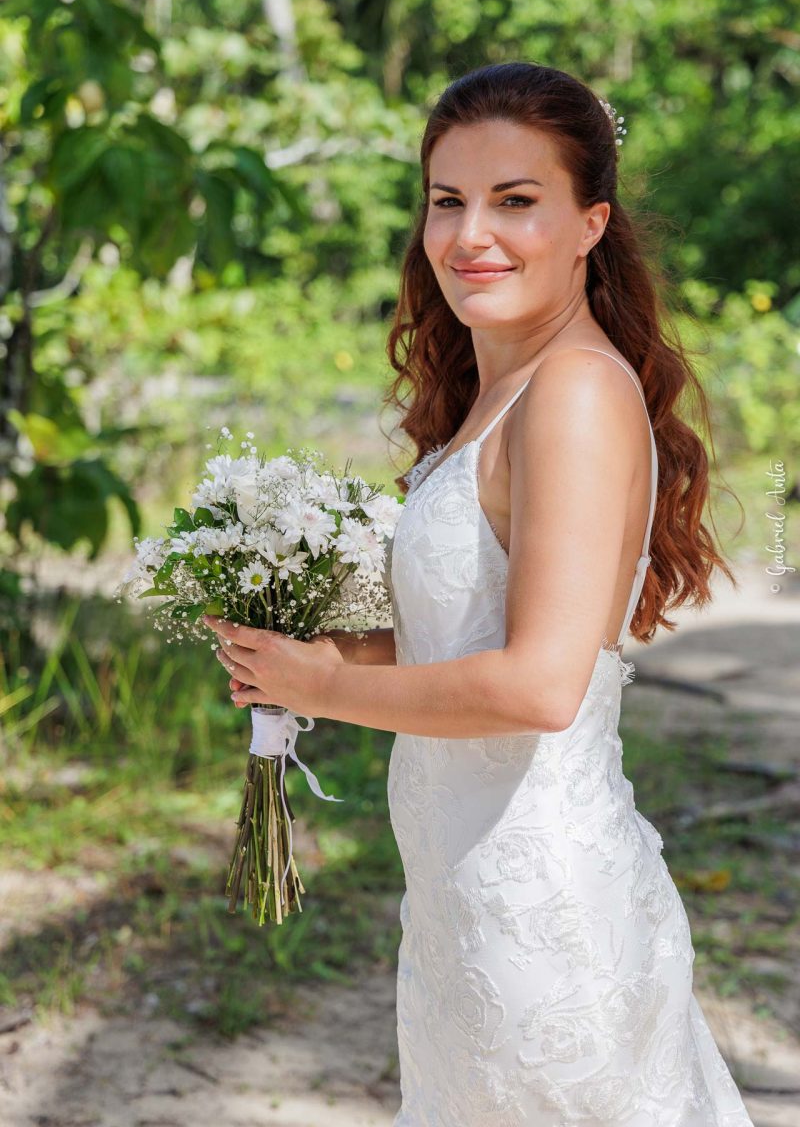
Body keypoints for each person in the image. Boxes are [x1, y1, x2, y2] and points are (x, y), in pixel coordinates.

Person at [209, 61, 754, 1124]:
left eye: (515, 202)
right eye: (446, 200)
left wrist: (322, 686)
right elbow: (456, 641)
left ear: (590, 222)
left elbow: (541, 684)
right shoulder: (496, 394)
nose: (470, 236)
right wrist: (286, 648)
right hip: (463, 900)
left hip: (544, 912)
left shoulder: (576, 395)